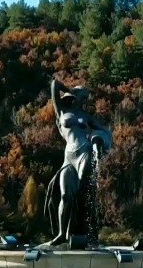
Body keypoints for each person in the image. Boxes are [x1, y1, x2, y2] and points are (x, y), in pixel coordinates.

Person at [43, 77, 112, 246]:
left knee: (83, 192)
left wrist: (99, 139)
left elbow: (105, 132)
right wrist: (69, 89)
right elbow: (54, 85)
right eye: (80, 96)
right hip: (69, 157)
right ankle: (61, 233)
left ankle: (82, 232)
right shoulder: (61, 111)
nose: (81, 99)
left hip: (85, 151)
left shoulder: (85, 116)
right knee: (65, 195)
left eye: (83, 97)